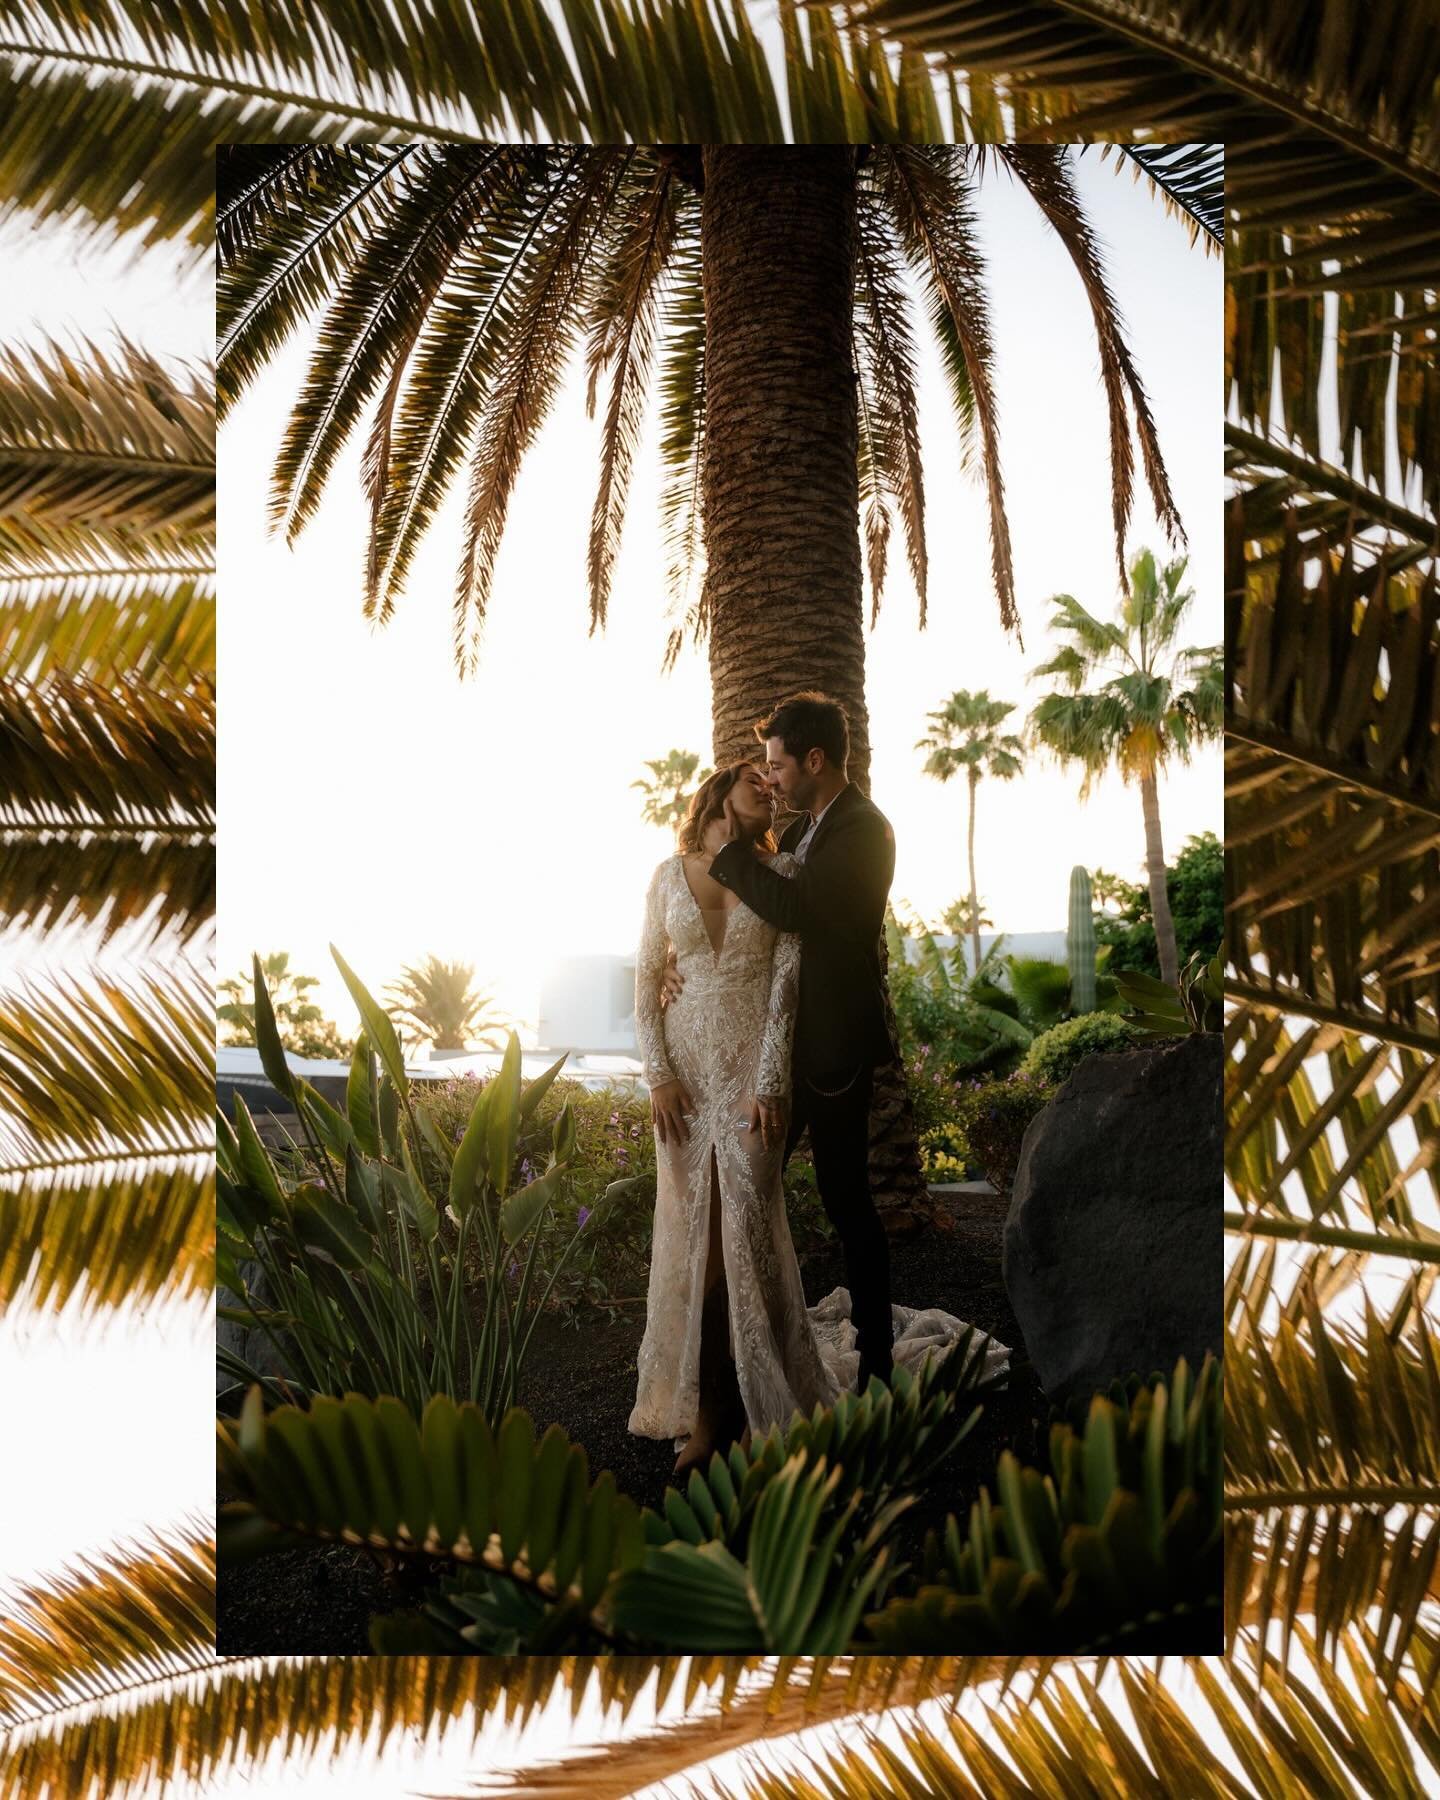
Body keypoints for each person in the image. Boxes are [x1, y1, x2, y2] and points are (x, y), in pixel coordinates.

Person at [629, 748, 1007, 1474]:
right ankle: (706, 1411)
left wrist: (769, 1083)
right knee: (693, 1239)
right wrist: (657, 1077)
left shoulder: (787, 872)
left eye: (775, 780)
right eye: (754, 780)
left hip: (749, 1078)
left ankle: (738, 1407)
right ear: (718, 794)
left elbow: (785, 989)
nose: (769, 789)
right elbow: (648, 980)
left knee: (740, 1228)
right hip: (683, 1082)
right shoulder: (663, 877)